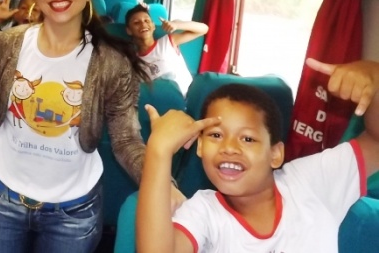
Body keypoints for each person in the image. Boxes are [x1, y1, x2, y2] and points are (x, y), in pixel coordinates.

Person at [0, 0, 162, 253]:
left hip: (74, 213)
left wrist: (163, 185)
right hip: (2, 201)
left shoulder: (111, 62)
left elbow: (126, 142)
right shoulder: (7, 45)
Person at [136, 57, 379, 253]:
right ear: (200, 147)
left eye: (248, 139)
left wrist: (375, 77)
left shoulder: (311, 182)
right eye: (216, 135)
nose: (229, 147)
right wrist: (159, 151)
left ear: (275, 154)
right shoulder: (204, 212)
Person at [125, 4, 208, 95]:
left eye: (147, 20)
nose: (143, 24)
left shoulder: (167, 41)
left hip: (189, 97)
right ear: (129, 30)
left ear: (153, 26)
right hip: (162, 101)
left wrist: (177, 25)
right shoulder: (134, 62)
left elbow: (203, 29)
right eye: (136, 23)